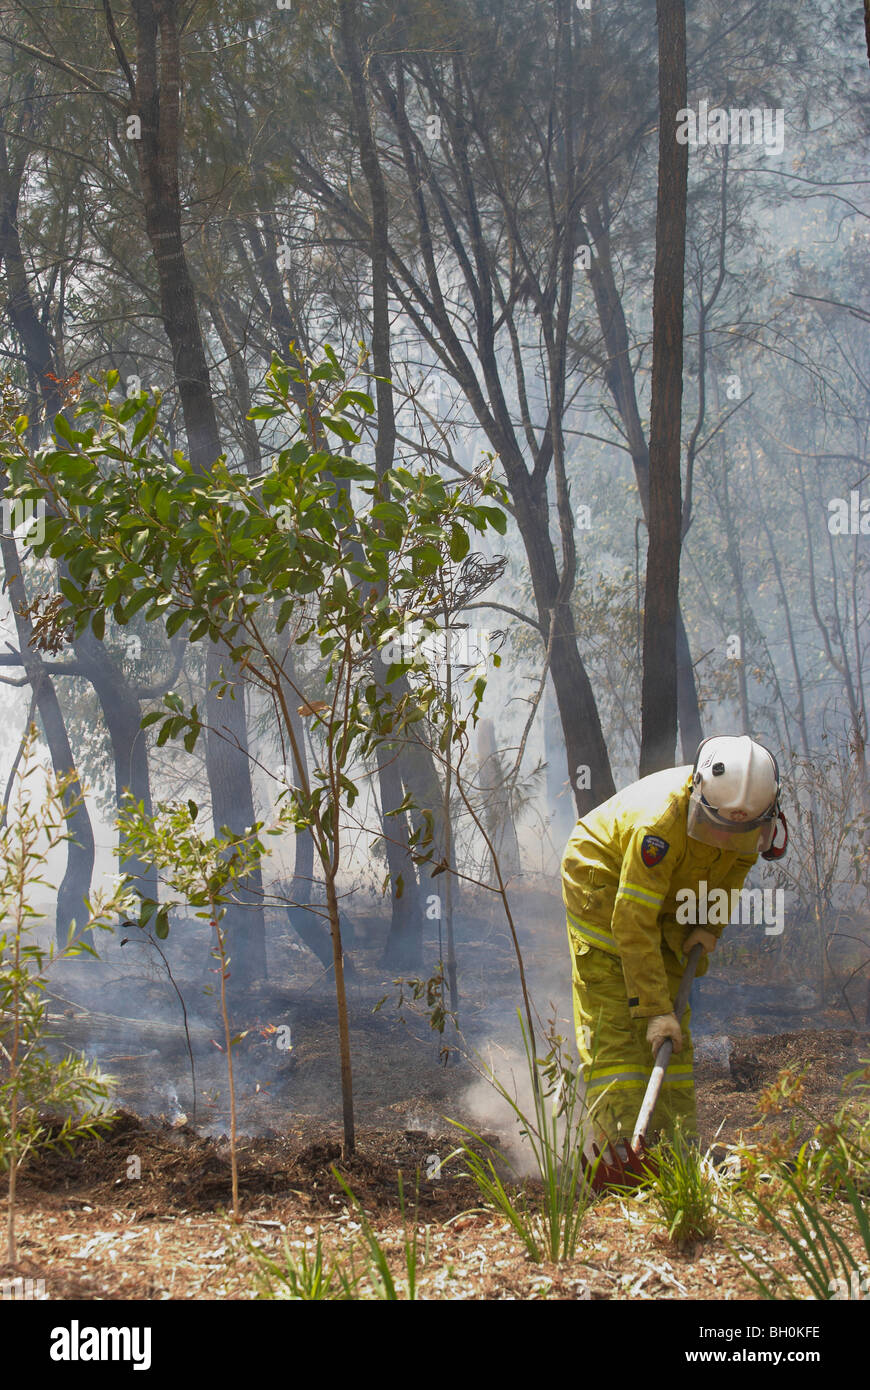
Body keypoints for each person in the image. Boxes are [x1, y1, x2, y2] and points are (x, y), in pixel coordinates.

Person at [561, 735, 787, 1147]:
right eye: (717, 827)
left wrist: (710, 925)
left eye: (738, 830)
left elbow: (734, 870)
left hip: (670, 891)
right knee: (619, 1018)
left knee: (673, 1033)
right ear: (699, 795)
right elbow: (632, 921)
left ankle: (673, 1151)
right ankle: (615, 1154)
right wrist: (652, 1010)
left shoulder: (751, 819)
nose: (724, 838)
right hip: (603, 884)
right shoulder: (659, 825)